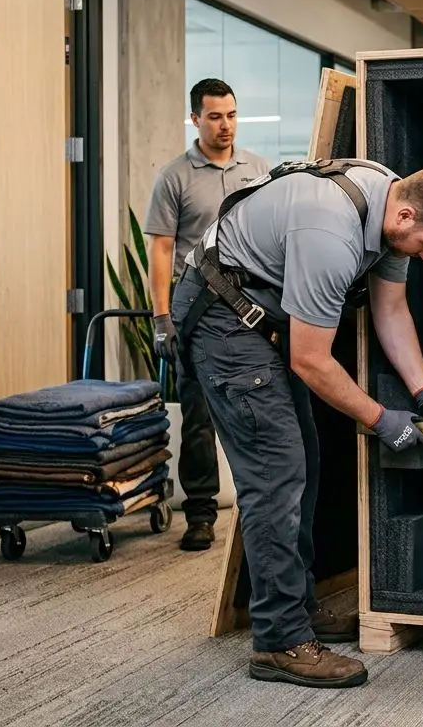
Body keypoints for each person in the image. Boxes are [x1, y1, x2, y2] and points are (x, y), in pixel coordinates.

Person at [171, 158, 423, 688]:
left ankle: (297, 610)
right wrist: (382, 420)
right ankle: (280, 642)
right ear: (405, 216)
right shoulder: (330, 232)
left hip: (260, 319)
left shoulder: (388, 209)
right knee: (276, 477)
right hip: (224, 323)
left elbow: (391, 310)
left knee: (303, 464)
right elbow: (311, 360)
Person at [144, 78, 271, 552]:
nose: (226, 125)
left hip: (249, 309)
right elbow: (160, 248)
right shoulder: (174, 177)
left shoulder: (258, 169)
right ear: (195, 119)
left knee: (256, 404)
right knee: (197, 414)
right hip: (194, 311)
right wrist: (161, 317)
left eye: (232, 115)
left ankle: (258, 505)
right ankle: (199, 512)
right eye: (215, 116)